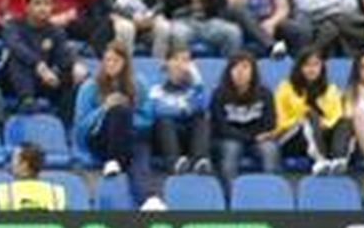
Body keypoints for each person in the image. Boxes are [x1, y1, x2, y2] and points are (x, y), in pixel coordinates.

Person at [73, 41, 149, 198]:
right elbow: (80, 127)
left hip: (129, 137)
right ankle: (114, 161)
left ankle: (147, 199)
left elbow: (147, 118)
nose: (111, 64)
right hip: (99, 138)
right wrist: (104, 109)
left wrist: (127, 118)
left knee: (139, 152)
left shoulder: (139, 84)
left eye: (116, 61)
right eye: (107, 60)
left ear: (125, 63)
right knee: (117, 110)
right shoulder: (89, 86)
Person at [4, 0, 84, 116]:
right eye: (38, 3)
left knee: (74, 73)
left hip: (44, 80)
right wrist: (39, 65)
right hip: (12, 82)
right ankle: (27, 102)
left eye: (47, 4)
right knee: (17, 58)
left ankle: (66, 121)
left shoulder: (56, 31)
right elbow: (15, 46)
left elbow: (63, 55)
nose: (43, 8)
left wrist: (75, 64)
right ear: (27, 7)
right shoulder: (13, 26)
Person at [273, 47, 353, 174]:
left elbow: (336, 116)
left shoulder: (331, 89)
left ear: (322, 67)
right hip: (293, 137)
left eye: (316, 65)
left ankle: (339, 160)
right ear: (299, 68)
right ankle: (320, 159)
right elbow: (280, 120)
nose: (312, 69)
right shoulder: (285, 88)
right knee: (309, 115)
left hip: (321, 132)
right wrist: (300, 120)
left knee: (346, 121)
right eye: (307, 65)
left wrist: (321, 125)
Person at [210, 49, 279, 186]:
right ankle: (231, 198)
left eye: (245, 67)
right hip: (229, 139)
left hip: (257, 140)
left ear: (253, 72)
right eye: (235, 67)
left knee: (270, 149)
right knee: (231, 148)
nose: (240, 72)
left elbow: (270, 123)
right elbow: (221, 127)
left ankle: (271, 194)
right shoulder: (219, 94)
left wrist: (255, 137)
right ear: (229, 71)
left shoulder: (265, 93)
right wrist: (251, 137)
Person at [149, 43, 212, 175]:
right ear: (167, 63)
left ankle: (199, 161)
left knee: (201, 118)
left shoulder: (194, 87)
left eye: (185, 60)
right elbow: (155, 110)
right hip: (162, 137)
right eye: (176, 59)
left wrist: (197, 79)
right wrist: (184, 109)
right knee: (164, 120)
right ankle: (174, 164)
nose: (180, 64)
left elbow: (202, 106)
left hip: (187, 136)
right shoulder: (156, 86)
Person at [0, 143, 67, 211]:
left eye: (13, 159)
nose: (10, 164)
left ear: (24, 164)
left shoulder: (1, 192)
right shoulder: (56, 193)